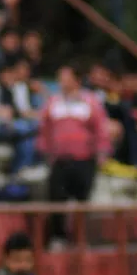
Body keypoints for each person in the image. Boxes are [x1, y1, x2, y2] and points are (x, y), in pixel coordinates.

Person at [37, 65, 111, 247]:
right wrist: (44, 151)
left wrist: (102, 153)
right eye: (60, 77)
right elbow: (44, 128)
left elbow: (100, 129)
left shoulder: (90, 102)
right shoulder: (53, 102)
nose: (61, 81)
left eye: (65, 77)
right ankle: (58, 237)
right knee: (56, 199)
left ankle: (81, 239)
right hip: (60, 161)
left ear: (76, 80)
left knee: (82, 201)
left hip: (84, 160)